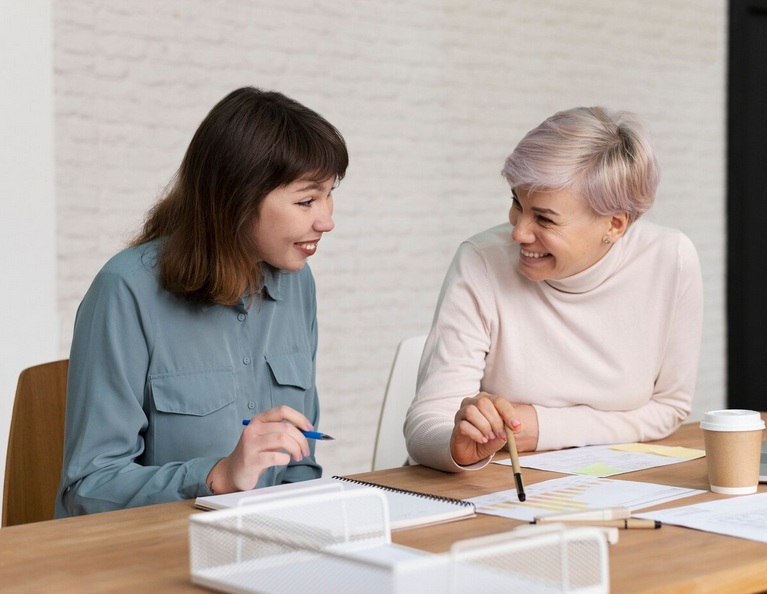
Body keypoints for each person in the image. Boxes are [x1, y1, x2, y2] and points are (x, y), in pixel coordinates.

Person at [56, 87, 348, 516]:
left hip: (264, 554)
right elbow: (86, 489)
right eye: (306, 200)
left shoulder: (297, 285)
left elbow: (298, 468)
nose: (327, 220)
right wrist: (216, 476)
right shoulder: (125, 291)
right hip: (151, 561)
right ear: (238, 199)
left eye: (328, 194)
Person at [404, 106, 703, 472]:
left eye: (544, 218)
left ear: (615, 224)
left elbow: (670, 408)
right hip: (493, 486)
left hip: (611, 483)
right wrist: (455, 446)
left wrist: (542, 427)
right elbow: (424, 426)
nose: (519, 232)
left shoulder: (670, 260)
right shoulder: (482, 262)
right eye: (517, 203)